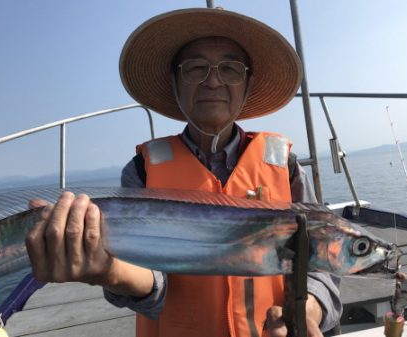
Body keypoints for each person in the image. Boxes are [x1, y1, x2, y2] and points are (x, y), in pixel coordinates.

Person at [25, 7, 342, 337]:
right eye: (196, 68)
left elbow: (321, 262)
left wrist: (306, 310)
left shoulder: (285, 167)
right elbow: (150, 280)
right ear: (175, 81)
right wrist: (111, 271)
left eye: (231, 69)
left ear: (247, 84)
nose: (213, 81)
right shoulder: (142, 172)